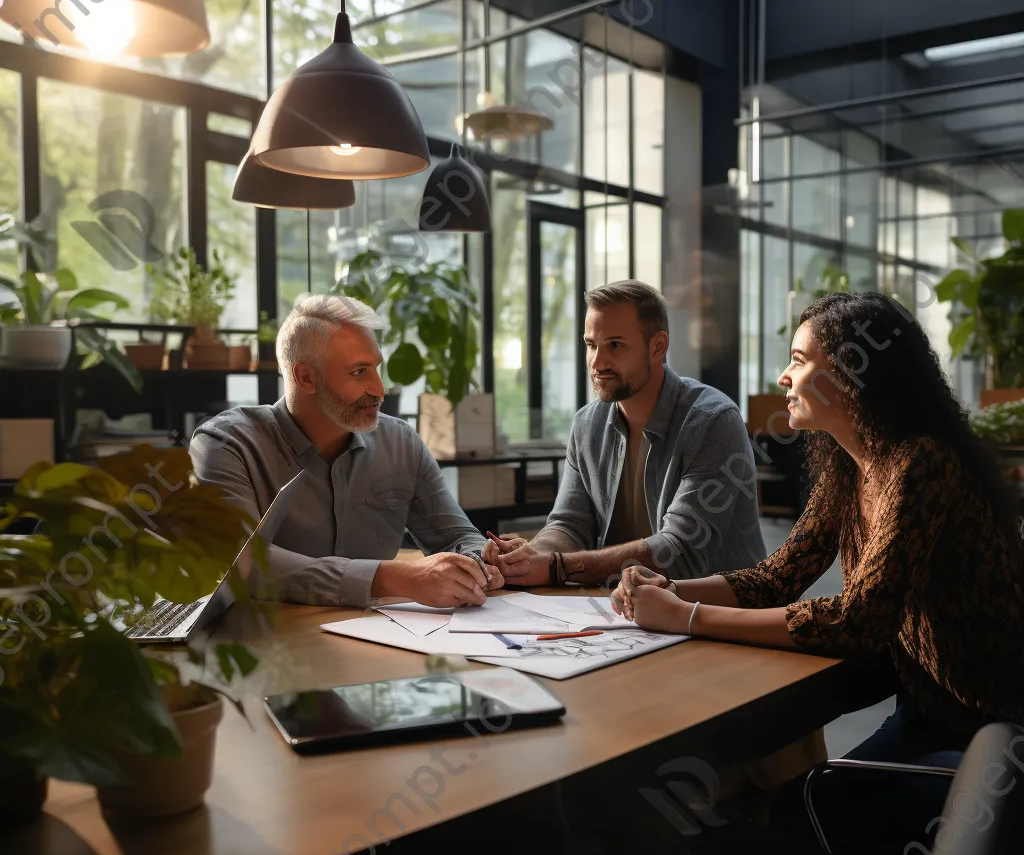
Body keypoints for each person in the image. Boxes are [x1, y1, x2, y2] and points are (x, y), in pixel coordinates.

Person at [613, 290, 1024, 761]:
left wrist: (686, 619)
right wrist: (671, 590)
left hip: (990, 732)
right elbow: (778, 578)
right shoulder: (849, 470)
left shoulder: (923, 462)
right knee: (809, 798)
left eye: (799, 360)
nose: (783, 377)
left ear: (849, 376)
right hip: (927, 710)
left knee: (818, 803)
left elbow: (860, 617)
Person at [190, 294, 503, 609]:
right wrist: (392, 577)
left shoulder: (401, 443)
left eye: (376, 369)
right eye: (359, 372)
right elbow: (241, 561)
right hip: (270, 644)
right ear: (305, 377)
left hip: (380, 641)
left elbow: (457, 537)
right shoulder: (226, 444)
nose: (379, 390)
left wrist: (479, 562)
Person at [493, 281, 766, 588]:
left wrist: (559, 566)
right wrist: (531, 556)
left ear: (658, 347)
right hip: (625, 612)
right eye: (591, 344)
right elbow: (570, 524)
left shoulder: (713, 421)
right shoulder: (587, 425)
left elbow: (680, 553)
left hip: (717, 617)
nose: (597, 362)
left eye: (615, 345)